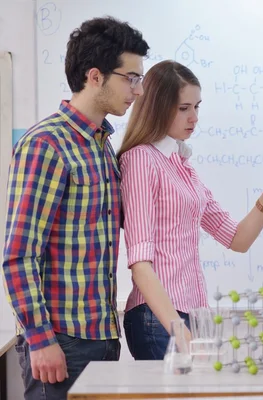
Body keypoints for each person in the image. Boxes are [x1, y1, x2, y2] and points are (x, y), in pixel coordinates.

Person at [117, 60, 263, 360]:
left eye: (197, 107)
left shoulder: (183, 168)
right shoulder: (141, 160)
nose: (194, 117)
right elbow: (140, 265)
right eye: (183, 108)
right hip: (158, 318)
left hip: (189, 315)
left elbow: (237, 239)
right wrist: (181, 334)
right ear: (156, 107)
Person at [1, 16, 149, 399]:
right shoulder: (46, 144)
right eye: (130, 78)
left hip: (102, 335)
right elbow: (18, 255)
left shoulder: (101, 146)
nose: (138, 90)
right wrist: (39, 339)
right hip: (61, 341)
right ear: (95, 76)